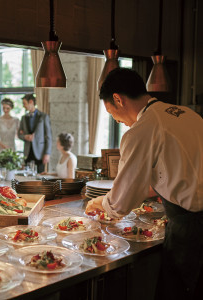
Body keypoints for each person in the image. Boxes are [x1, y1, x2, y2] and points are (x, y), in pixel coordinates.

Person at [85, 68, 203, 300]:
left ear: (118, 99)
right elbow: (178, 174)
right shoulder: (187, 114)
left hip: (191, 229)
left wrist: (101, 202)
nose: (118, 122)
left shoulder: (142, 129)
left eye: (112, 114)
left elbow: (121, 203)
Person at [18, 94, 52, 173]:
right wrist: (25, 136)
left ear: (31, 102)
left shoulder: (44, 116)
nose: (23, 106)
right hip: (27, 152)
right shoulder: (23, 118)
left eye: (24, 103)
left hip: (40, 153)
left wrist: (47, 153)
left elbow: (48, 136)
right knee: (27, 176)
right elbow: (19, 135)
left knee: (39, 177)